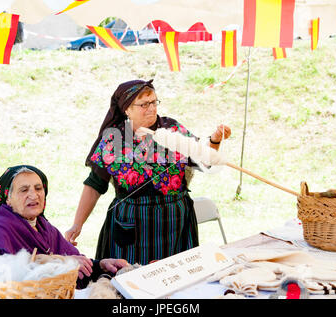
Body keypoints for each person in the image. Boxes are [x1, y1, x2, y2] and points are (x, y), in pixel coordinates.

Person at [65, 79, 231, 265]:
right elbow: (95, 185)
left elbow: (202, 157)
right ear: (126, 109)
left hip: (175, 223)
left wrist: (215, 140)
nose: (151, 108)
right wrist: (77, 224)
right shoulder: (114, 139)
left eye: (154, 102)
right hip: (132, 228)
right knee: (132, 282)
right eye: (144, 104)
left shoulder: (172, 129)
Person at [0, 165, 128, 299]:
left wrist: (100, 265)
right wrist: (60, 263)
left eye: (38, 188)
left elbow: (74, 263)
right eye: (24, 190)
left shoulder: (44, 227)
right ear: (7, 197)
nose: (34, 195)